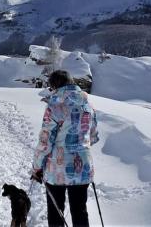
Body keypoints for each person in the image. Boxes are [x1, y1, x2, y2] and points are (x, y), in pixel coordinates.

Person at [31, 70, 99, 227]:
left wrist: (36, 167)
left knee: (56, 212)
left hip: (57, 168)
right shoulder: (88, 105)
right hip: (83, 167)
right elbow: (93, 136)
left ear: (55, 86)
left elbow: (45, 142)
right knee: (80, 210)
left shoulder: (54, 106)